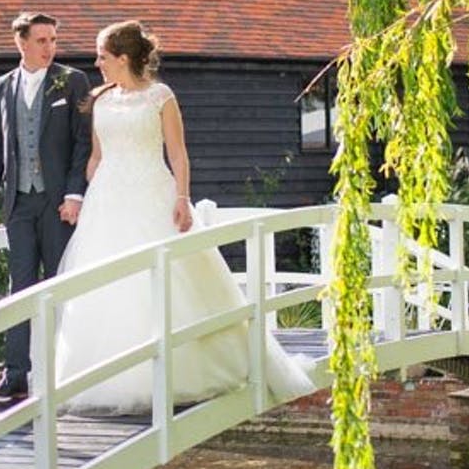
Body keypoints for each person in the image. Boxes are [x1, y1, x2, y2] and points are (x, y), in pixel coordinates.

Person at [53, 20, 316, 414]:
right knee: (109, 288)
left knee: (173, 279)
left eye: (103, 56)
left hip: (152, 195)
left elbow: (177, 153)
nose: (97, 63)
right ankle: (111, 380)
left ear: (123, 58)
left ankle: (189, 372)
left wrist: (181, 196)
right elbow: (96, 156)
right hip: (109, 202)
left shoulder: (161, 96)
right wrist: (89, 193)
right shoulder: (102, 100)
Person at [0, 11, 94, 410]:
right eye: (42, 40)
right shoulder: (2, 87)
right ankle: (16, 373)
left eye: (54, 40)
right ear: (21, 43)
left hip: (59, 201)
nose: (50, 47)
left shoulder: (72, 81)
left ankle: (61, 371)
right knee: (19, 286)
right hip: (19, 202)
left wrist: (75, 193)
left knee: (60, 283)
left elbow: (83, 144)